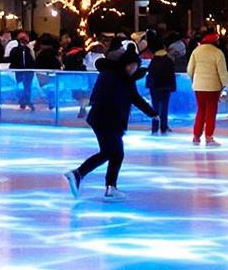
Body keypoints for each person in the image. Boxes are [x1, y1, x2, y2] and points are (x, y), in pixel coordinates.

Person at [65, 51, 156, 201]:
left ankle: (110, 187)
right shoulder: (115, 77)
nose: (134, 69)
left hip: (108, 120)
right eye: (132, 66)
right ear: (126, 64)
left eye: (136, 66)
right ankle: (78, 174)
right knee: (110, 152)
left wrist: (152, 113)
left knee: (116, 153)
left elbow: (134, 97)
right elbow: (125, 97)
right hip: (106, 120)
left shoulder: (118, 77)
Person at [186, 30, 228, 146]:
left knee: (200, 110)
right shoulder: (218, 53)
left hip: (198, 87)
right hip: (213, 87)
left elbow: (189, 70)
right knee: (211, 112)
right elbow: (222, 72)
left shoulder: (196, 51)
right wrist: (226, 85)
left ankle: (196, 136)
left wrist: (195, 80)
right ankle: (209, 136)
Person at [144, 44, 177, 135]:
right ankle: (164, 127)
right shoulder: (169, 61)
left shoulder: (153, 61)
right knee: (164, 108)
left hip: (154, 88)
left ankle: (154, 128)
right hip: (165, 88)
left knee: (155, 107)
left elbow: (150, 75)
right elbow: (171, 76)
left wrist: (149, 85)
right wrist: (173, 87)